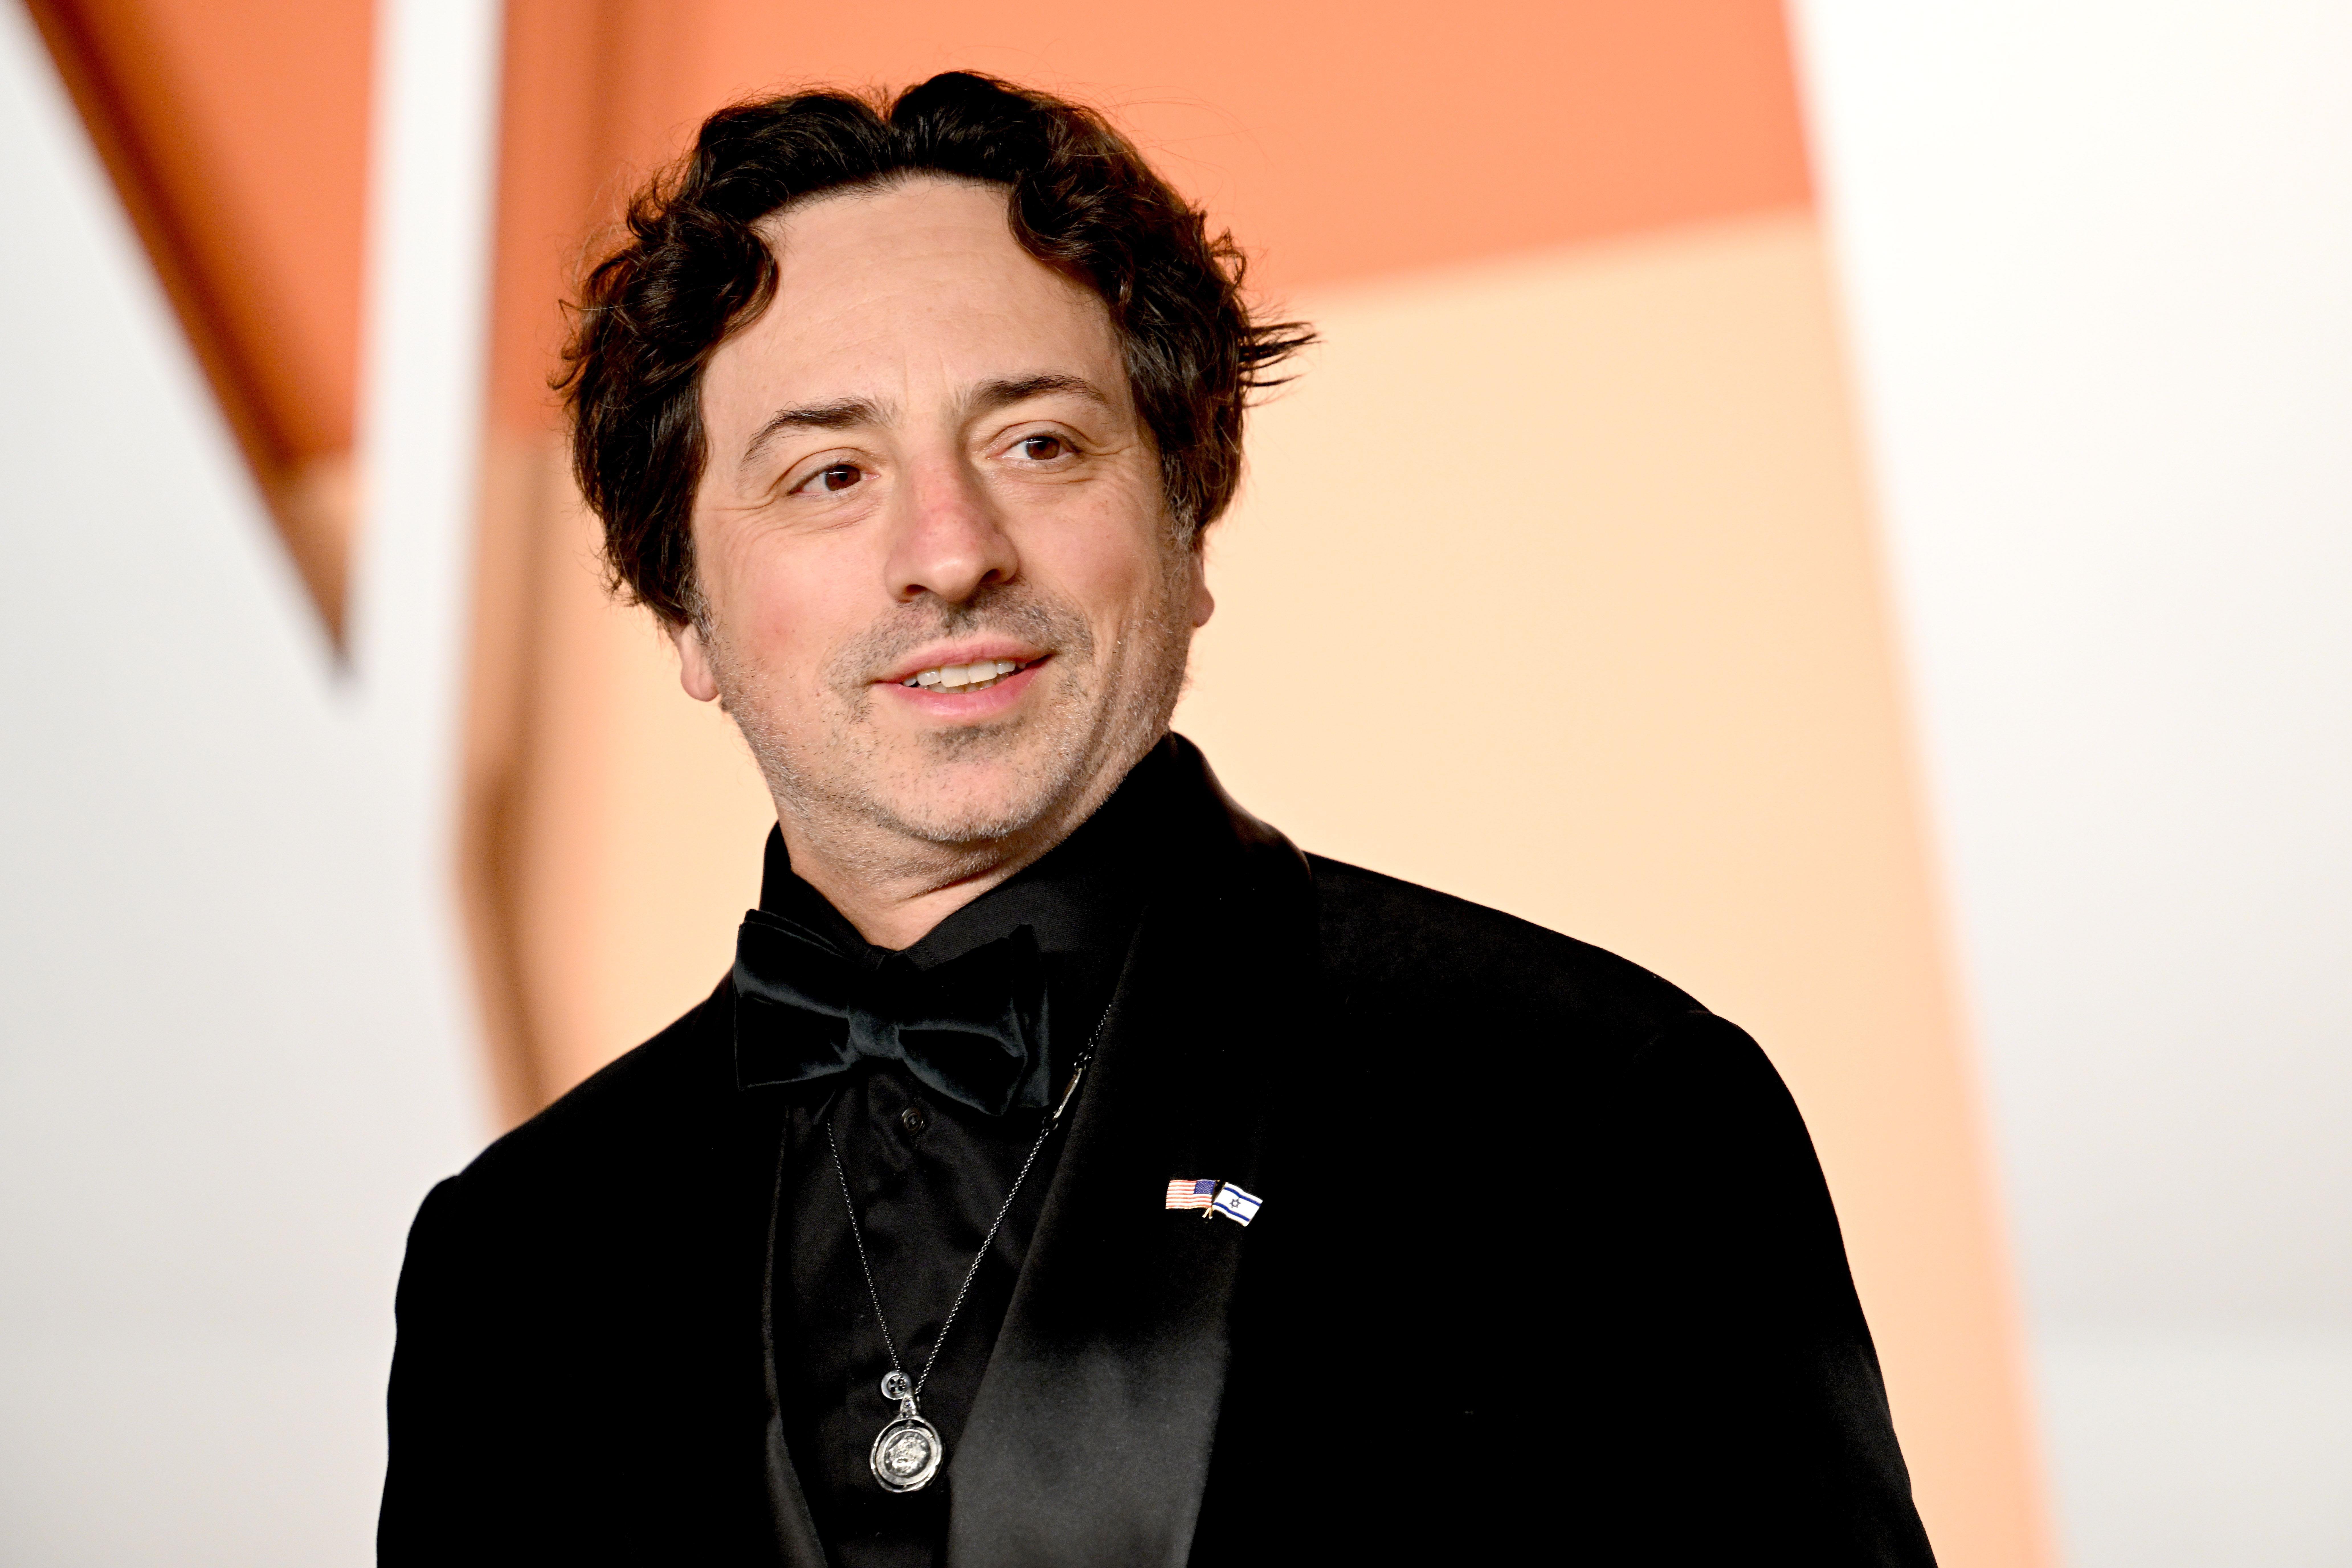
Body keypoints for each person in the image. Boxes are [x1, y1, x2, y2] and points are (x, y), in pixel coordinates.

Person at [378, 72, 1938, 1567]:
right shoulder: (512, 1261)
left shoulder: (1600, 1110)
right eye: (831, 473)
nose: (950, 552)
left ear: (1190, 518)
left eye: (1038, 443)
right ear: (687, 615)